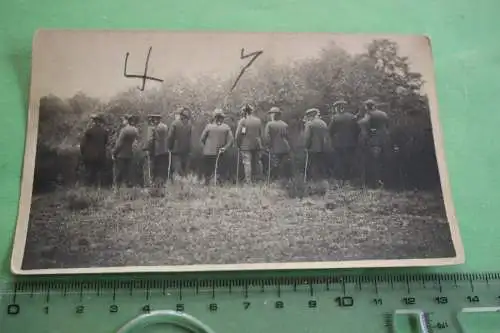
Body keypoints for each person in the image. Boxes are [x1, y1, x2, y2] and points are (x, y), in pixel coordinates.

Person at [357, 99, 390, 187]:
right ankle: (386, 182)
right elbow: (387, 125)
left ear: (367, 107)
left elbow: (363, 123)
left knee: (374, 162)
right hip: (385, 139)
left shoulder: (369, 114)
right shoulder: (383, 114)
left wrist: (358, 119)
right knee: (384, 161)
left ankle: (375, 183)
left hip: (375, 141)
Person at [199, 109, 234, 185]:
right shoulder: (226, 127)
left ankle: (207, 183)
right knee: (220, 170)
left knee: (208, 171)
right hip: (220, 153)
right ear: (222, 118)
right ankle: (219, 182)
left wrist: (205, 148)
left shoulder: (208, 126)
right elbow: (231, 140)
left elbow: (202, 139)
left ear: (214, 117)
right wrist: (225, 148)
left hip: (208, 153)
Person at [328, 100, 360, 181]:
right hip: (351, 143)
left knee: (339, 161)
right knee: (349, 160)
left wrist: (333, 139)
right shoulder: (352, 117)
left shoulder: (335, 118)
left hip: (338, 144)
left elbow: (330, 131)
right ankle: (350, 178)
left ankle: (340, 179)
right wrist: (354, 138)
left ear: (338, 108)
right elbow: (358, 130)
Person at [235, 104, 263, 184]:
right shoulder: (258, 120)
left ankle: (248, 181)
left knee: (247, 163)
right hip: (257, 144)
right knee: (257, 162)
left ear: (245, 112)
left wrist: (238, 144)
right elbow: (260, 133)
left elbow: (238, 135)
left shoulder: (243, 121)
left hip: (246, 145)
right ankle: (259, 179)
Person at [79, 114, 109, 187]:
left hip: (90, 156)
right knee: (100, 172)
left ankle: (88, 187)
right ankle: (99, 187)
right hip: (101, 156)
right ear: (100, 122)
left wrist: (83, 153)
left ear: (94, 122)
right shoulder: (105, 132)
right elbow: (105, 143)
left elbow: (82, 144)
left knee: (89, 172)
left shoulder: (89, 132)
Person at [264, 107, 292, 180]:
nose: (271, 115)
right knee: (284, 165)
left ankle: (272, 180)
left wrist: (268, 146)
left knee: (274, 165)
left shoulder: (269, 124)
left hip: (275, 148)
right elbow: (288, 137)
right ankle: (285, 180)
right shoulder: (285, 124)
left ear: (274, 115)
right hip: (285, 148)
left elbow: (267, 137)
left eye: (271, 114)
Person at [112, 115, 140, 187]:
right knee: (128, 172)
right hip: (130, 153)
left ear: (127, 120)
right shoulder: (135, 130)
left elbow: (119, 143)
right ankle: (128, 186)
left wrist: (114, 152)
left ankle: (117, 187)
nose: (122, 121)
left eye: (123, 120)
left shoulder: (124, 130)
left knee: (119, 172)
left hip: (121, 154)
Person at [303, 108, 329, 181]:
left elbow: (307, 137)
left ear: (311, 115)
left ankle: (311, 180)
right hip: (323, 147)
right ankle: (323, 179)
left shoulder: (309, 124)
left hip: (313, 148)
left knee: (311, 165)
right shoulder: (323, 123)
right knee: (321, 164)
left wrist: (306, 146)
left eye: (308, 116)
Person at [145, 114, 170, 187]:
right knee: (162, 168)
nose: (152, 120)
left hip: (156, 151)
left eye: (153, 119)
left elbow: (150, 140)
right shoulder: (165, 126)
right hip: (165, 150)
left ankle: (153, 184)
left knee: (153, 168)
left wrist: (147, 149)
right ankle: (163, 183)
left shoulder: (153, 128)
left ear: (155, 119)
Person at [167, 107, 192, 178]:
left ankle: (178, 180)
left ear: (180, 115)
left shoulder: (174, 123)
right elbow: (189, 137)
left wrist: (169, 147)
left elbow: (170, 137)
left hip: (176, 149)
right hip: (186, 149)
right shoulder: (189, 124)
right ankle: (185, 179)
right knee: (184, 166)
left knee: (176, 166)